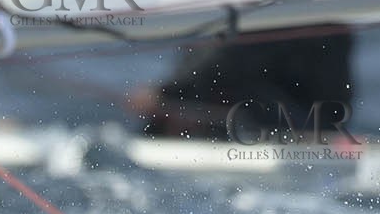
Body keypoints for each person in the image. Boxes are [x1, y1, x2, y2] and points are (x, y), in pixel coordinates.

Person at [132, 25, 356, 141]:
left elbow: (226, 59)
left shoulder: (265, 19)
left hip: (290, 127)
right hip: (315, 127)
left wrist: (166, 94)